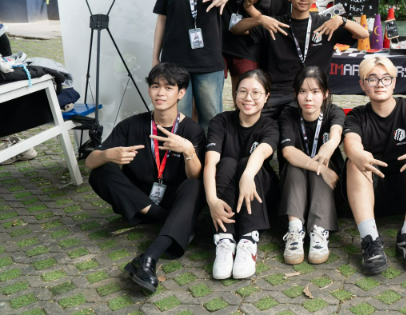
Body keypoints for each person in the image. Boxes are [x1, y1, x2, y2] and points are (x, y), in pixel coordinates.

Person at [86, 63, 205, 293]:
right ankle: (170, 220)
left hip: (174, 200)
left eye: (169, 87)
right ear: (149, 89)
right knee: (101, 170)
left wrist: (188, 150)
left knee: (195, 186)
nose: (160, 93)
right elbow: (90, 162)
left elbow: (196, 176)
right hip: (138, 202)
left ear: (181, 93)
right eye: (155, 86)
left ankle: (149, 257)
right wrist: (108, 154)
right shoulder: (131, 125)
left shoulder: (192, 130)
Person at [342, 56, 406, 275]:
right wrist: (357, 154)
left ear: (394, 82)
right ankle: (370, 239)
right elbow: (351, 143)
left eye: (386, 78)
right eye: (372, 79)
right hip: (371, 193)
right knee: (354, 161)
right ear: (363, 85)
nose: (380, 84)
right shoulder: (357, 115)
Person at [231, 0, 368, 118]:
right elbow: (235, 29)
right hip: (276, 93)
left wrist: (342, 20)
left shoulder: (325, 24)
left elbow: (364, 34)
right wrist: (259, 19)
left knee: (292, 120)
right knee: (248, 118)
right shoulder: (275, 23)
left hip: (310, 93)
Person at [152, 0, 237, 132]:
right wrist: (155, 57)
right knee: (177, 119)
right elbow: (162, 20)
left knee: (211, 119)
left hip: (208, 62)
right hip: (174, 61)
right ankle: (179, 153)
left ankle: (210, 153)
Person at [204, 70, 279, 280]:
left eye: (256, 93)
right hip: (225, 192)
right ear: (235, 93)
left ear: (266, 96)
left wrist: (247, 176)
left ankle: (248, 239)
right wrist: (211, 200)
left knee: (248, 163)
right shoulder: (220, 121)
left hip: (259, 191)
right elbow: (210, 163)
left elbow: (262, 152)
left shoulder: (271, 126)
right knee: (227, 162)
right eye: (243, 91)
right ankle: (225, 239)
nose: (248, 98)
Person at [278, 66, 346, 265]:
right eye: (303, 91)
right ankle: (295, 230)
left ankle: (319, 231)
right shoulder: (288, 114)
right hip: (296, 181)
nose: (309, 98)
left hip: (326, 186)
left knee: (323, 162)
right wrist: (321, 169)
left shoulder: (333, 111)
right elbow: (288, 152)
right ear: (295, 93)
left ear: (325, 94)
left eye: (315, 91)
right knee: (296, 164)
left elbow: (336, 131)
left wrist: (331, 143)